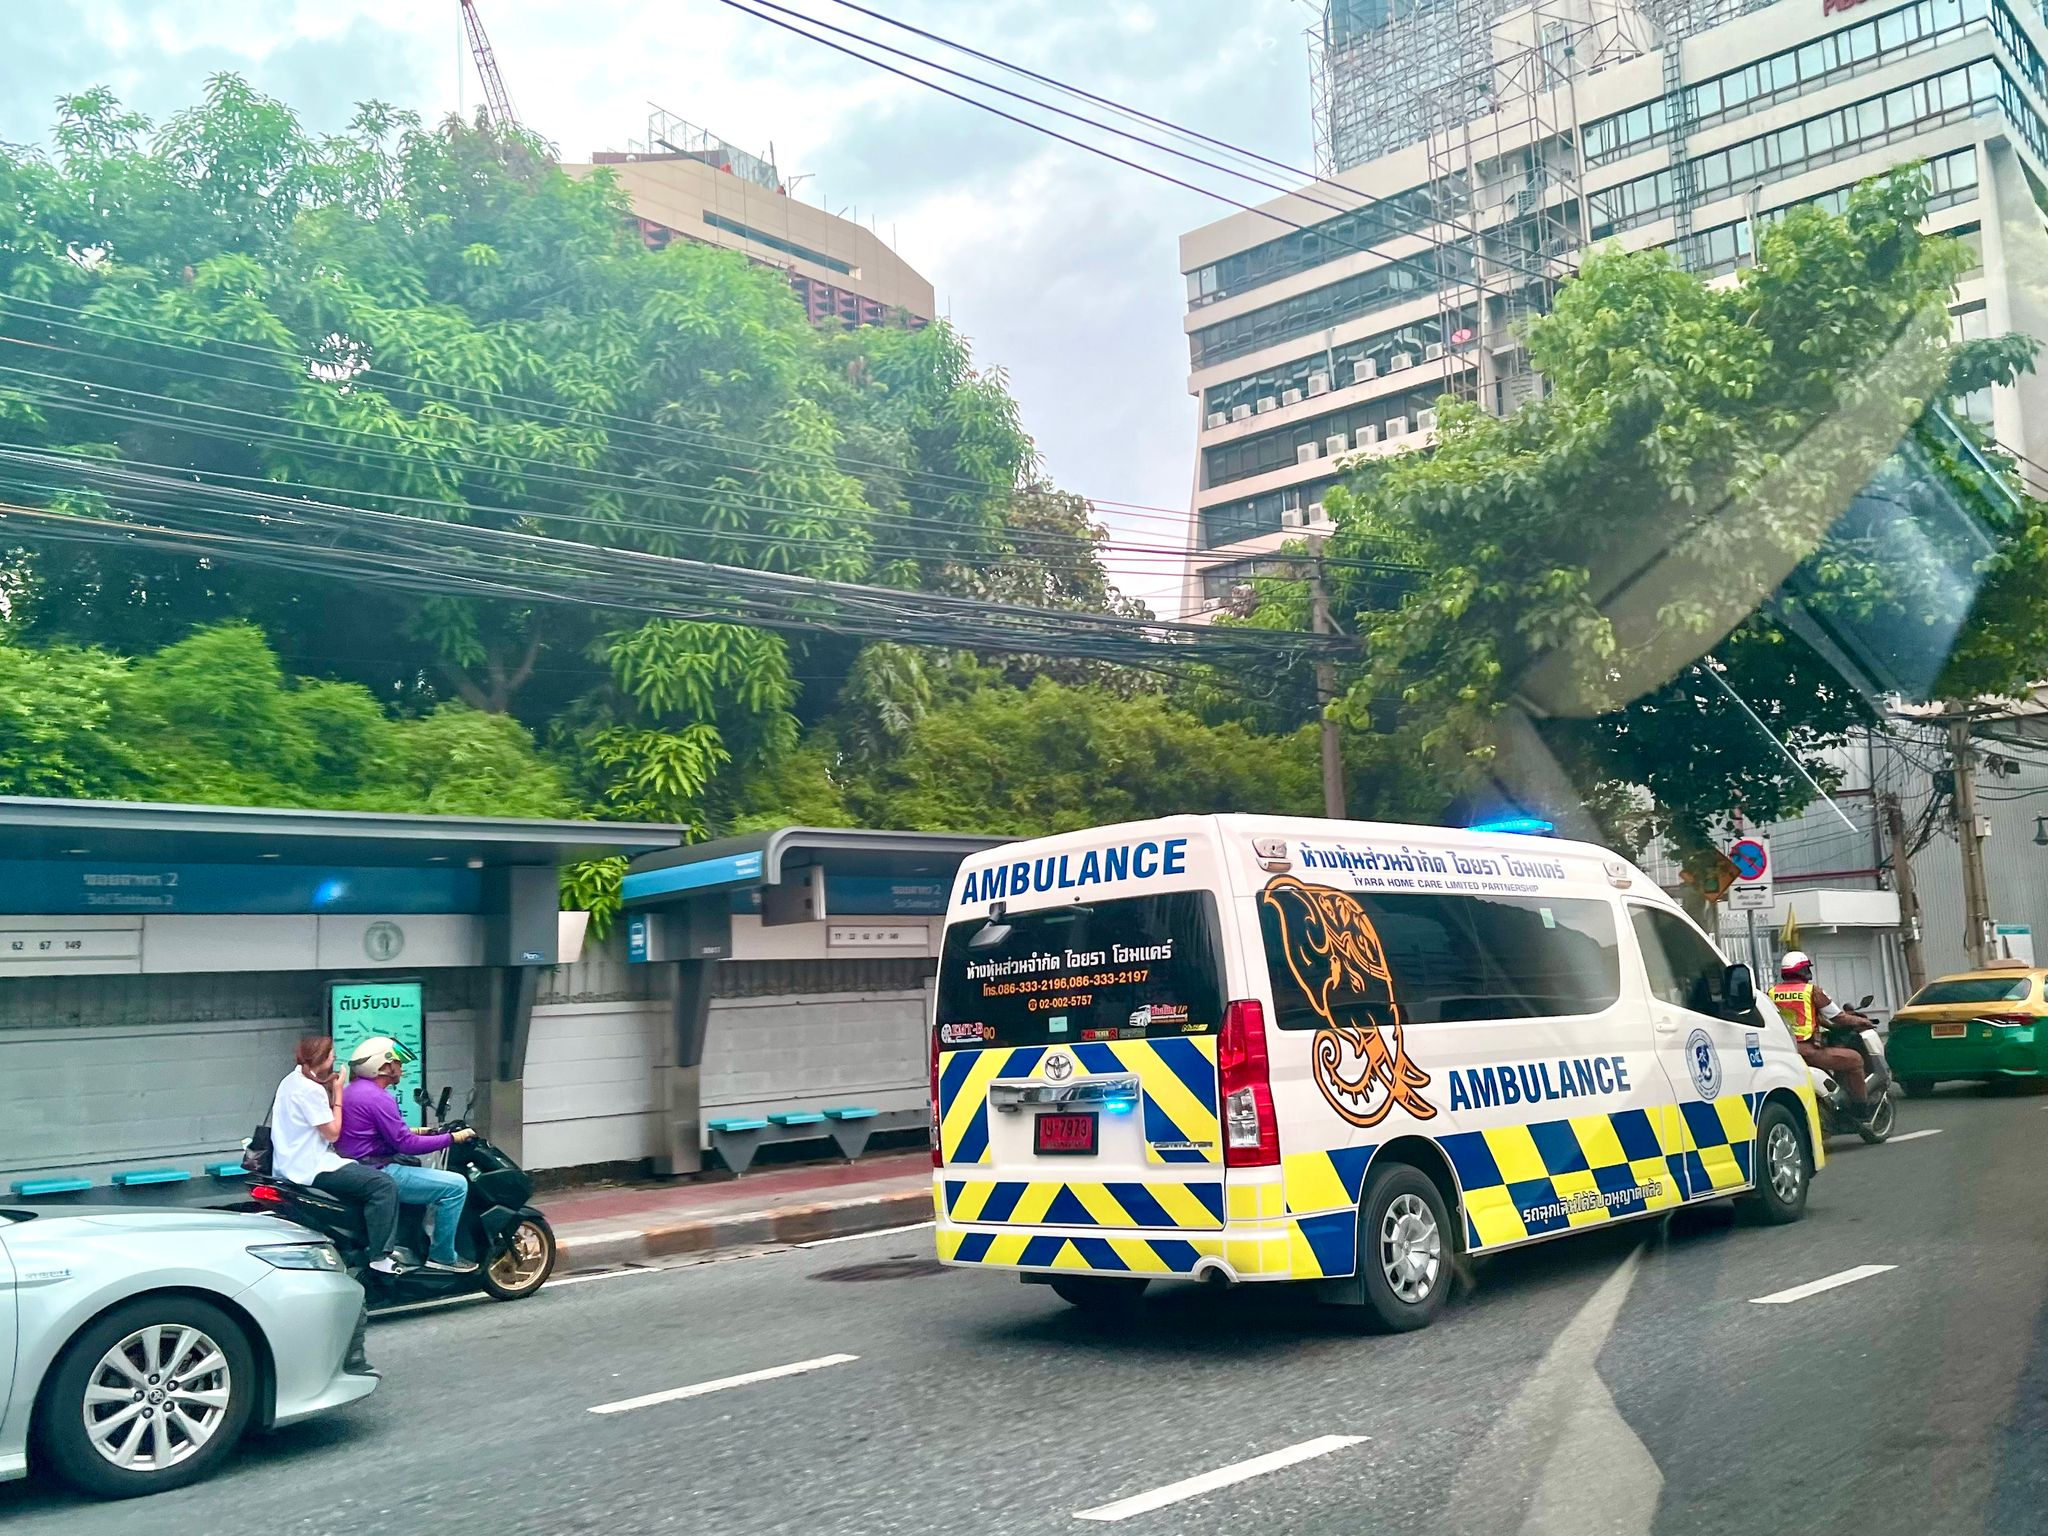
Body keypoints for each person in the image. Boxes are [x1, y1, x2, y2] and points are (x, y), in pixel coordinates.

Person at [336, 1036, 479, 1273]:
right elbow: (406, 1143)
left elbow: (378, 1132)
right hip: (380, 1170)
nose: (401, 1068)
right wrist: (453, 1138)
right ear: (383, 1065)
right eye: (398, 1063)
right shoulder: (378, 1097)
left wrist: (423, 1131)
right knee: (456, 1186)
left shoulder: (354, 1092)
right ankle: (443, 1256)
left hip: (359, 1167)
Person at [269, 1036, 406, 1276]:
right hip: (312, 1165)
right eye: (332, 1054)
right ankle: (380, 1257)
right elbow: (333, 1133)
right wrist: (339, 1092)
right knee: (382, 1185)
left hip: (289, 1161)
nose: (335, 1058)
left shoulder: (290, 1081)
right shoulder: (310, 1090)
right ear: (323, 1057)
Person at [1771, 950, 1872, 1116]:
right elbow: (1839, 1017)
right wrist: (1862, 1021)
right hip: (1808, 1051)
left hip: (1784, 1051)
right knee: (1855, 1061)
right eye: (1807, 970)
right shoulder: (1812, 991)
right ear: (1803, 971)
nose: (1809, 974)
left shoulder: (1771, 992)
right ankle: (1860, 1110)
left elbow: (1808, 1017)